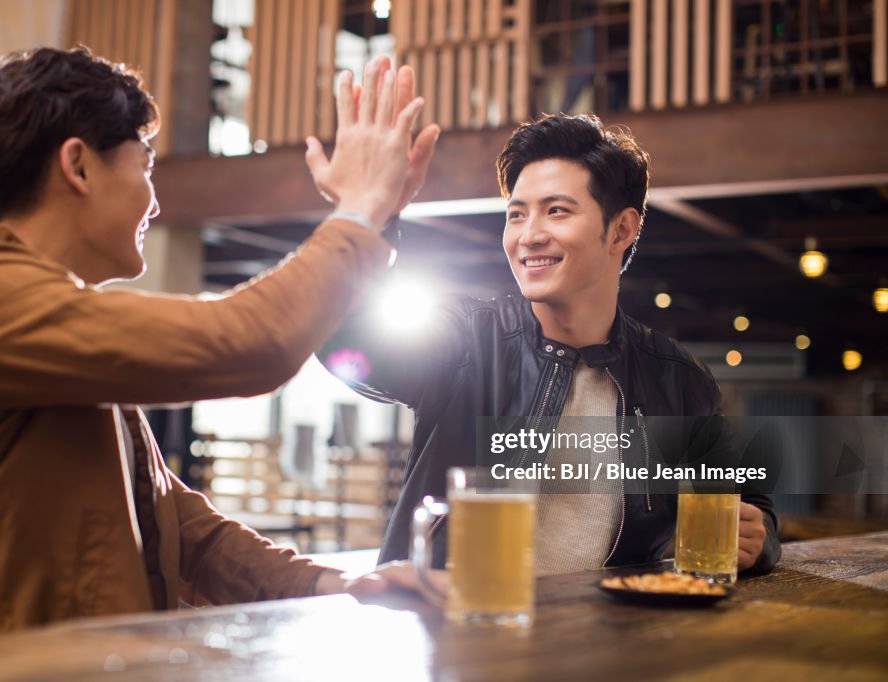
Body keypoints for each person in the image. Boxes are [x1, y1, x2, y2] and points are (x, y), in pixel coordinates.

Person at [0, 47, 441, 642]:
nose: (156, 202)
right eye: (145, 166)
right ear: (78, 166)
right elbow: (248, 342)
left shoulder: (63, 324)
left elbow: (176, 526)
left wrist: (337, 584)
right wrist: (359, 212)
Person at [318, 113, 781, 574]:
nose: (529, 236)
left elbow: (752, 509)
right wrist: (365, 219)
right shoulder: (467, 340)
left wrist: (758, 539)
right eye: (516, 214)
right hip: (455, 614)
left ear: (621, 230)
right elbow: (341, 340)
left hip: (614, 620)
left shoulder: (678, 379)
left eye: (556, 210)